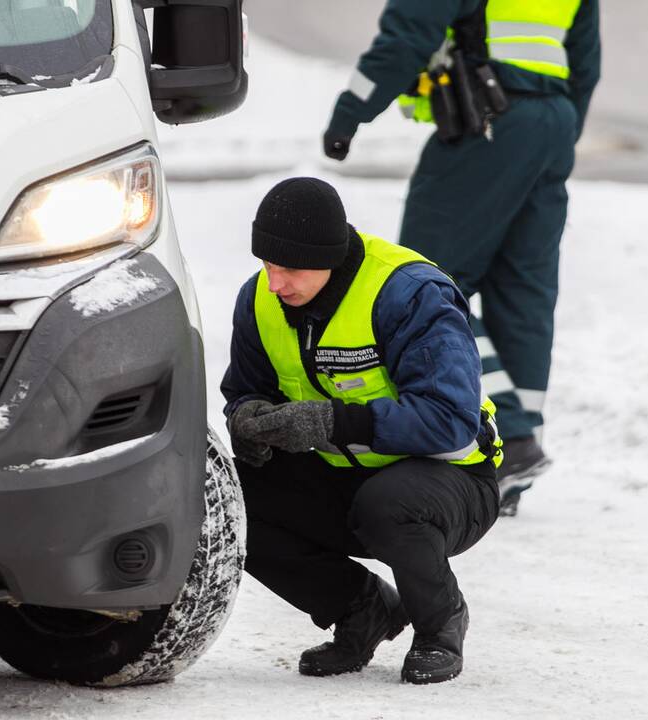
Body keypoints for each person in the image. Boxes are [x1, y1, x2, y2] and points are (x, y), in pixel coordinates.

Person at [322, 0, 601, 516]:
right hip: (552, 122)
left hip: (487, 121)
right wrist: (551, 135)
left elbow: (407, 36)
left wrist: (349, 112)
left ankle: (512, 439)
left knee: (423, 286)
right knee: (524, 295)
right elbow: (585, 64)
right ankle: (514, 463)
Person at [222, 176, 502, 684]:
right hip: (344, 475)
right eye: (267, 265)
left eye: (291, 268)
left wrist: (331, 421)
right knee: (227, 498)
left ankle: (439, 625)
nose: (276, 282)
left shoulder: (409, 294)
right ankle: (361, 608)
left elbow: (450, 418)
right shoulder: (260, 299)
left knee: (387, 502)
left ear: (329, 257)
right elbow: (245, 388)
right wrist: (247, 420)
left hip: (450, 482)